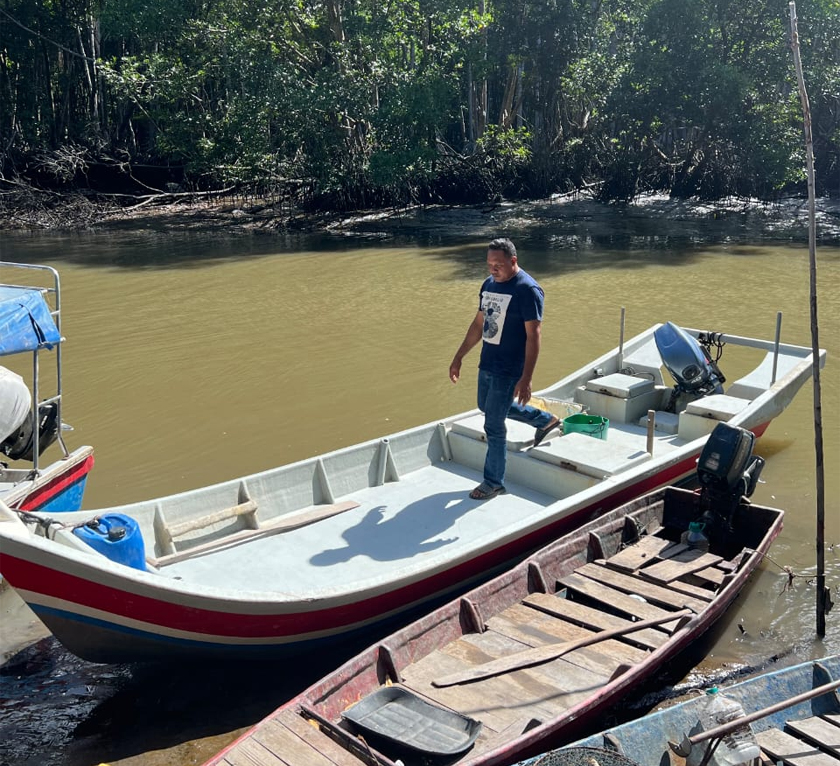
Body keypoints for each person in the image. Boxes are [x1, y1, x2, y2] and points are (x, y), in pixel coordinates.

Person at [449, 238, 560, 500]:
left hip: (510, 367)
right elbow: (479, 324)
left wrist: (526, 377)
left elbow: (534, 336)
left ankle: (493, 482)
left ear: (513, 261)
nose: (492, 269)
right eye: (489, 264)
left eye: (498, 264)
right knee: (486, 406)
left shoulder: (528, 290)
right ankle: (545, 420)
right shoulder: (489, 285)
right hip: (488, 360)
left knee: (493, 424)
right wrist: (459, 356)